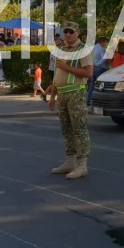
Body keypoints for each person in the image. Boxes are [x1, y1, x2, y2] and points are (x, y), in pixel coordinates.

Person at [49, 21, 93, 180]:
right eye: (65, 31)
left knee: (79, 129)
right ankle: (70, 161)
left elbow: (88, 73)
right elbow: (57, 75)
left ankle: (82, 165)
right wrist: (52, 96)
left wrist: (66, 67)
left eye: (71, 31)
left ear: (77, 33)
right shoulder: (62, 49)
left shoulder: (83, 50)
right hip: (62, 94)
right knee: (66, 129)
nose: (67, 34)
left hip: (76, 93)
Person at [87, 37, 110, 106]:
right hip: (101, 69)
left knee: (92, 85)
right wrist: (98, 64)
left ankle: (89, 101)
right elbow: (104, 58)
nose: (105, 44)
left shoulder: (92, 48)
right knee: (101, 86)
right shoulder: (102, 49)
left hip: (92, 68)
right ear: (102, 42)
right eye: (105, 42)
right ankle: (100, 102)